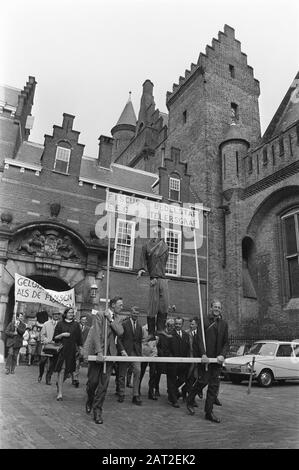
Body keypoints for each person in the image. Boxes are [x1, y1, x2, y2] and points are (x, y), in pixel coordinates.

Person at [186, 299, 229, 423]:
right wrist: (203, 354)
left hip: (217, 360)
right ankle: (189, 399)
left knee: (213, 386)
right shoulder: (203, 321)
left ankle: (208, 412)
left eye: (219, 307)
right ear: (211, 308)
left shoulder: (224, 324)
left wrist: (222, 355)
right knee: (203, 381)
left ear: (221, 310)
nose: (217, 309)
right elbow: (199, 339)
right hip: (206, 358)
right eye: (215, 307)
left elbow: (226, 342)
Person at [84, 296, 124, 424]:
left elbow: (120, 332)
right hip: (97, 354)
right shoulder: (100, 315)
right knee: (93, 382)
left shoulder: (118, 318)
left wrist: (110, 319)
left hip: (110, 355)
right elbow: (96, 334)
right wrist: (99, 352)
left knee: (103, 385)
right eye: (120, 305)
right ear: (112, 305)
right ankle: (90, 399)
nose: (122, 307)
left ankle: (97, 410)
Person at [137, 224, 169, 338]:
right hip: (154, 278)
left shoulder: (166, 246)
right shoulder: (146, 246)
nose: (159, 233)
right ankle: (151, 332)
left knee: (164, 304)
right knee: (152, 306)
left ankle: (160, 328)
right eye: (156, 231)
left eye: (161, 231)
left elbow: (163, 263)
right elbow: (143, 258)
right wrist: (141, 269)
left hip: (163, 278)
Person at [53, 307, 83, 400]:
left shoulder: (76, 325)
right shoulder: (60, 324)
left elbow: (79, 338)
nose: (71, 314)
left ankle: (59, 383)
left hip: (72, 350)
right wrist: (62, 335)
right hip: (62, 350)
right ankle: (60, 394)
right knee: (62, 370)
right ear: (65, 314)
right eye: (69, 312)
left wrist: (80, 348)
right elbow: (54, 338)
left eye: (72, 313)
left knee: (69, 372)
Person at [117, 306, 143, 405]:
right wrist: (122, 350)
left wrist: (139, 354)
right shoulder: (124, 324)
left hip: (135, 353)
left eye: (137, 313)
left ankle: (135, 395)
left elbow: (139, 341)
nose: (135, 315)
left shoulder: (139, 327)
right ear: (130, 313)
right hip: (125, 352)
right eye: (134, 313)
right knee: (122, 374)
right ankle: (121, 393)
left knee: (138, 371)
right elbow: (119, 339)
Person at [167, 317, 190, 408]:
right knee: (171, 381)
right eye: (176, 324)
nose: (177, 325)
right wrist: (171, 358)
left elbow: (188, 348)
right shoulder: (169, 335)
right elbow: (166, 349)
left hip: (183, 364)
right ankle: (174, 400)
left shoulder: (185, 335)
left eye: (179, 324)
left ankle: (171, 391)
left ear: (182, 324)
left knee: (182, 380)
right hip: (172, 363)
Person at [38, 311, 60, 384]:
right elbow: (42, 335)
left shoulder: (60, 324)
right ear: (52, 315)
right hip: (47, 346)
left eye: (58, 314)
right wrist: (46, 340)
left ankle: (48, 377)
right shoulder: (46, 324)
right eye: (55, 314)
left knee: (52, 364)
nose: (56, 315)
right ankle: (40, 374)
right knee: (42, 362)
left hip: (55, 347)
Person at [155, 318, 175, 397]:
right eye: (171, 326)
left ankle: (169, 389)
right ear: (167, 326)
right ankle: (156, 388)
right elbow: (158, 345)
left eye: (173, 326)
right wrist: (161, 353)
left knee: (170, 374)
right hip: (161, 356)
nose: (172, 328)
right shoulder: (161, 334)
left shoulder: (173, 334)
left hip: (169, 357)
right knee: (158, 373)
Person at [138, 323, 159, 400]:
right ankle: (137, 390)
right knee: (141, 372)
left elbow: (157, 341)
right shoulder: (143, 329)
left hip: (153, 354)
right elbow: (140, 340)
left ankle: (151, 392)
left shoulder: (157, 329)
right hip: (144, 354)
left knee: (153, 374)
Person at [71, 314, 90, 388]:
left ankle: (89, 380)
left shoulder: (88, 329)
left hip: (85, 349)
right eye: (82, 320)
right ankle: (75, 379)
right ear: (80, 320)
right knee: (76, 364)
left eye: (85, 320)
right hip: (77, 348)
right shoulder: (76, 327)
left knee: (89, 364)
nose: (84, 321)